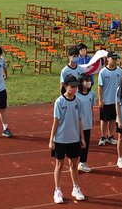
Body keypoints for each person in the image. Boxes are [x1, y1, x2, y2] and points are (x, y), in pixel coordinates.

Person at [49, 75, 86, 203]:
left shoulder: (78, 102)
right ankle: (57, 190)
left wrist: (82, 137)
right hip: (60, 139)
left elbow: (80, 120)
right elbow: (56, 121)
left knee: (74, 164)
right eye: (72, 87)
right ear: (66, 87)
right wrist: (51, 139)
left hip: (74, 139)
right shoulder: (59, 102)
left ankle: (76, 187)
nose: (75, 88)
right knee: (59, 165)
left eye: (76, 86)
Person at [98, 51, 122, 146]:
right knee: (104, 119)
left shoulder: (119, 71)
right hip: (106, 100)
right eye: (113, 59)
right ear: (107, 59)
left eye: (116, 59)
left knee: (112, 119)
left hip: (115, 100)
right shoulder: (103, 72)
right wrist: (100, 99)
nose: (114, 61)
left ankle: (110, 136)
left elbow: (121, 85)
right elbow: (100, 86)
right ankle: (103, 136)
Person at [76, 73, 96, 173]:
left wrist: (92, 116)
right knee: (77, 143)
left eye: (89, 80)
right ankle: (74, 163)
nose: (89, 83)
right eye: (86, 81)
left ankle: (82, 162)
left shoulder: (91, 93)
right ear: (81, 82)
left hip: (87, 123)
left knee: (86, 143)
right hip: (77, 123)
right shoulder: (76, 94)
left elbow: (91, 106)